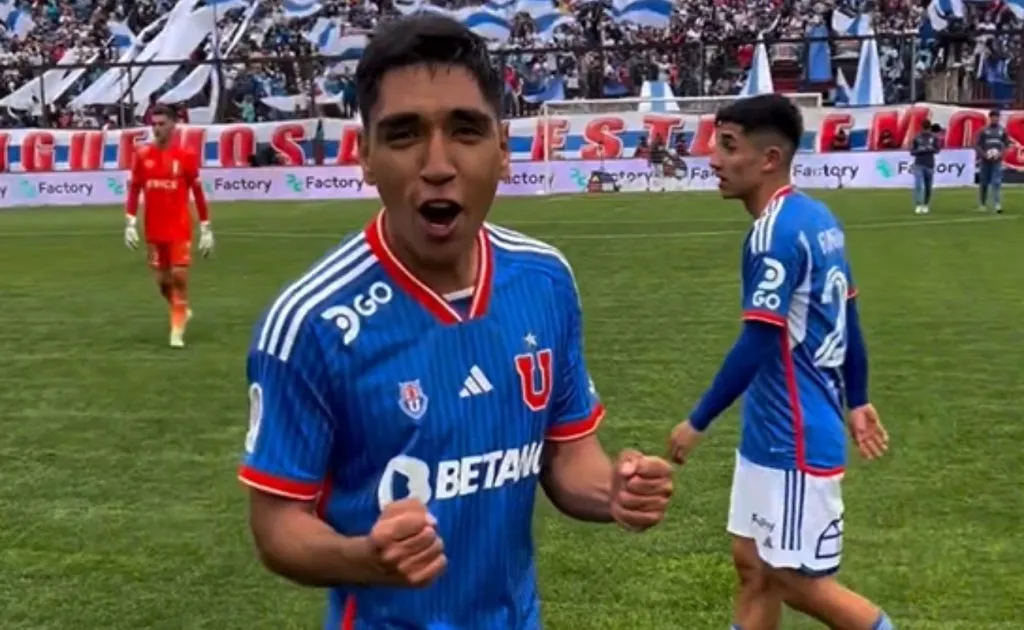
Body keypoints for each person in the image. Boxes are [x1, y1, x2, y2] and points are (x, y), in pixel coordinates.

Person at [237, 15, 674, 630]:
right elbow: (277, 528)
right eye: (403, 134)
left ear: (502, 150)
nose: (437, 163)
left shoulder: (545, 280)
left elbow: (567, 458)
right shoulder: (309, 324)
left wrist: (616, 493)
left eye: (465, 131)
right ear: (364, 155)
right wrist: (366, 558)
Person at [665, 94, 893, 630]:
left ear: (769, 158)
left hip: (794, 435)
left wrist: (697, 421)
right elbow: (849, 318)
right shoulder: (819, 217)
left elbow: (760, 340)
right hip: (769, 436)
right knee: (752, 567)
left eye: (727, 146)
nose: (713, 159)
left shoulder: (773, 232)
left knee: (796, 582)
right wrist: (857, 400)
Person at [123, 104, 215, 348]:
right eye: (154, 124)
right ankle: (180, 309)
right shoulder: (142, 155)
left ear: (174, 125)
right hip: (154, 229)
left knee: (178, 275)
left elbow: (198, 192)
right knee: (163, 282)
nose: (157, 129)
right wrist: (130, 222)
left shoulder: (185, 156)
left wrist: (206, 227)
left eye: (162, 124)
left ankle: (176, 334)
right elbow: (134, 189)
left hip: (179, 228)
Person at [976, 109, 1009, 214]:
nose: (995, 118)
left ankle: (997, 204)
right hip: (985, 161)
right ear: (990, 118)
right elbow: (976, 145)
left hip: (997, 161)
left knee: (996, 182)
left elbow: (1006, 145)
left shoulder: (1002, 131)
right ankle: (982, 203)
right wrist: (984, 154)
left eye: (997, 117)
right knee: (984, 183)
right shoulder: (983, 130)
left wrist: (1000, 154)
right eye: (993, 117)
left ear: (999, 118)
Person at [909, 119, 941, 215]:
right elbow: (912, 152)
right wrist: (920, 150)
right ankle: (918, 205)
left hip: (930, 164)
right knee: (918, 185)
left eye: (927, 129)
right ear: (922, 128)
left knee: (928, 187)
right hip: (919, 164)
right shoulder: (917, 138)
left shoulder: (934, 138)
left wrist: (931, 149)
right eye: (925, 129)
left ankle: (926, 205)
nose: (926, 131)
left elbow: (937, 150)